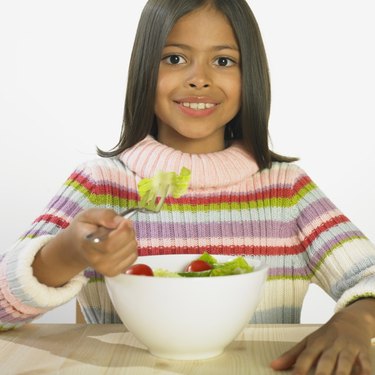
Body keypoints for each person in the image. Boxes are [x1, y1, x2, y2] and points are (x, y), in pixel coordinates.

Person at [1, 0, 375, 373]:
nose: (200, 78)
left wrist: (353, 322)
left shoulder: (287, 190)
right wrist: (67, 253)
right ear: (144, 70)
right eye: (175, 59)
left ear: (252, 77)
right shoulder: (99, 185)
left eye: (224, 61)